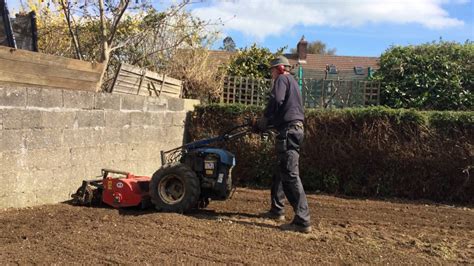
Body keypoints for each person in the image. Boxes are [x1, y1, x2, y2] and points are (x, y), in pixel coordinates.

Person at [255, 55, 311, 233]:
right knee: (280, 171)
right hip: (293, 129)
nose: (271, 74)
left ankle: (302, 220)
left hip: (289, 132)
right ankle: (277, 210)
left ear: (279, 68)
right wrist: (271, 122)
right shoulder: (293, 82)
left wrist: (264, 119)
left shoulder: (281, 80)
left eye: (272, 70)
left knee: (290, 175)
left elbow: (276, 100)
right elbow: (287, 109)